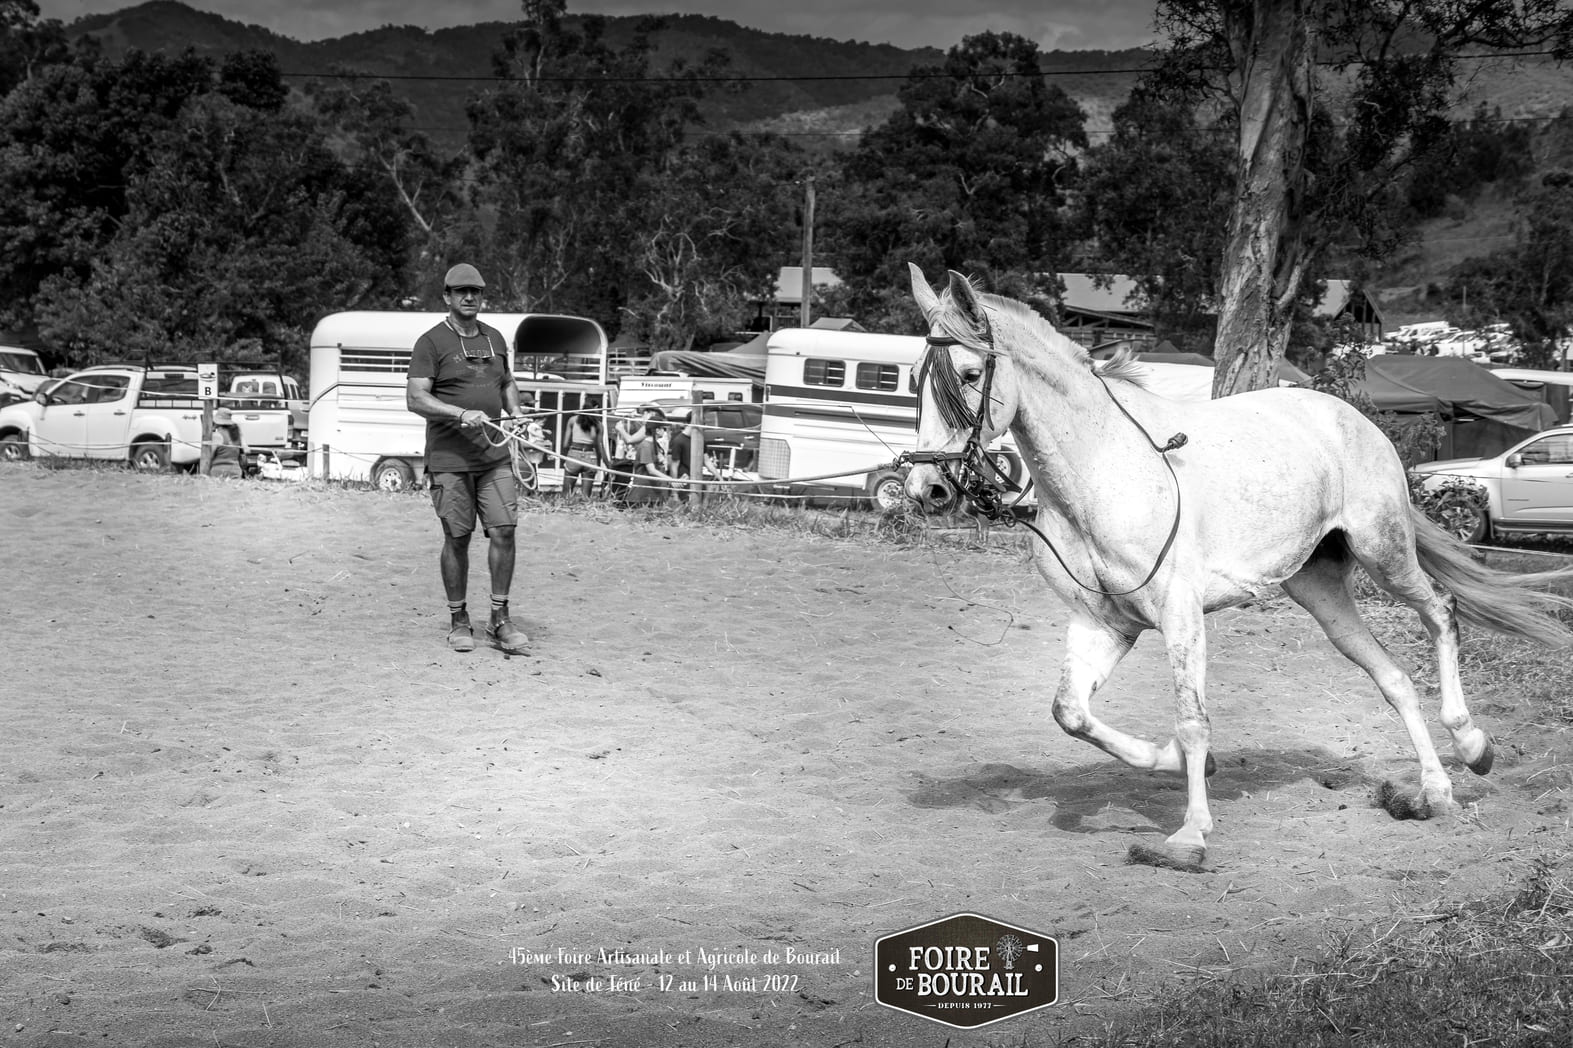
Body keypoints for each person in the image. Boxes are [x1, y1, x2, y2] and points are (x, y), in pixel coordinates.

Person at [405, 263, 528, 654]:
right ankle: (459, 620)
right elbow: (415, 397)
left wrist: (517, 414)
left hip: (494, 456)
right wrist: (459, 413)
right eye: (461, 291)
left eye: (475, 290)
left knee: (504, 531)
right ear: (447, 297)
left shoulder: (495, 339)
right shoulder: (431, 342)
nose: (469, 297)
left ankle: (499, 619)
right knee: (457, 537)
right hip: (449, 458)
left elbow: (506, 382)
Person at [560, 411, 604, 499]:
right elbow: (599, 447)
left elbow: (565, 444)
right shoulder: (598, 424)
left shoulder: (572, 420)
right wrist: (600, 463)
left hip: (574, 454)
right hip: (591, 456)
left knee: (566, 494)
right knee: (586, 496)